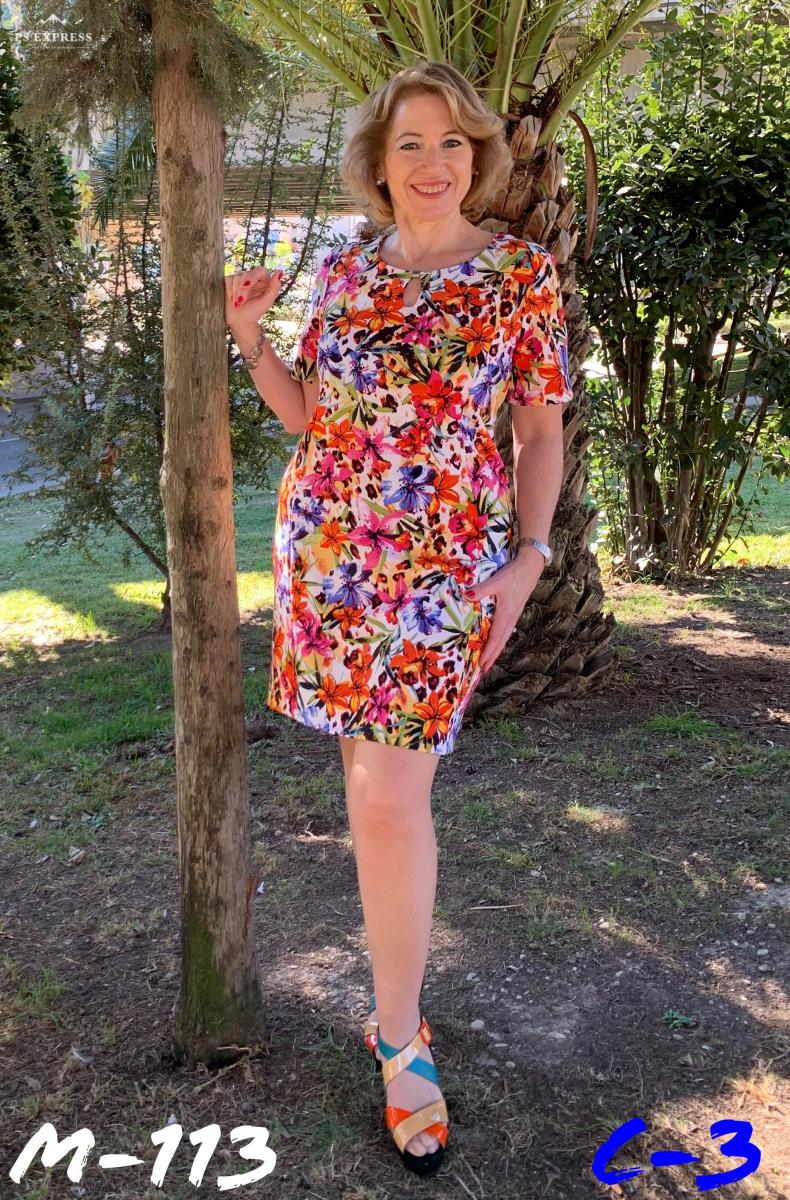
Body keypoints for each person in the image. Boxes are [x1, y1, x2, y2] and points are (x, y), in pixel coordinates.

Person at [225, 60, 574, 1178]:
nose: (433, 163)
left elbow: (540, 432)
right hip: (329, 558)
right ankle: (396, 1007)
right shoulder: (345, 266)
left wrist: (529, 560)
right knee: (370, 791)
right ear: (377, 162)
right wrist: (252, 340)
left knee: (386, 795)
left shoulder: (517, 273)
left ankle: (397, 1035)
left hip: (445, 571)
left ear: (479, 156)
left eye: (452, 142)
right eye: (410, 143)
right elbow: (311, 417)